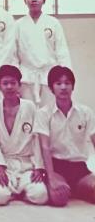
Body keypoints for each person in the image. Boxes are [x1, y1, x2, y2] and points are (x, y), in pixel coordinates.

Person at [0, 65, 48, 206]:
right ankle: (15, 192)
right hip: (5, 165)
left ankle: (20, 192)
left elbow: (37, 138)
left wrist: (39, 166)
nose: (9, 87)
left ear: (19, 85)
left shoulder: (30, 107)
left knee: (41, 196)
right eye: (5, 83)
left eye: (13, 83)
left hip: (26, 164)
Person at [35, 66, 95, 206]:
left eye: (67, 83)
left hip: (80, 168)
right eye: (58, 83)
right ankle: (67, 188)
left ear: (73, 86)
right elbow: (44, 147)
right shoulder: (43, 114)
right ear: (51, 88)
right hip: (57, 168)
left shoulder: (85, 112)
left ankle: (78, 189)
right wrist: (51, 177)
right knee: (59, 199)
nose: (63, 87)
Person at [14, 0, 72, 108]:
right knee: (28, 112)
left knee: (50, 111)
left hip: (50, 75)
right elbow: (13, 55)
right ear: (25, 0)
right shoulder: (18, 25)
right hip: (26, 77)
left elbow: (62, 52)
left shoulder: (53, 23)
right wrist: (15, 80)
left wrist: (66, 79)